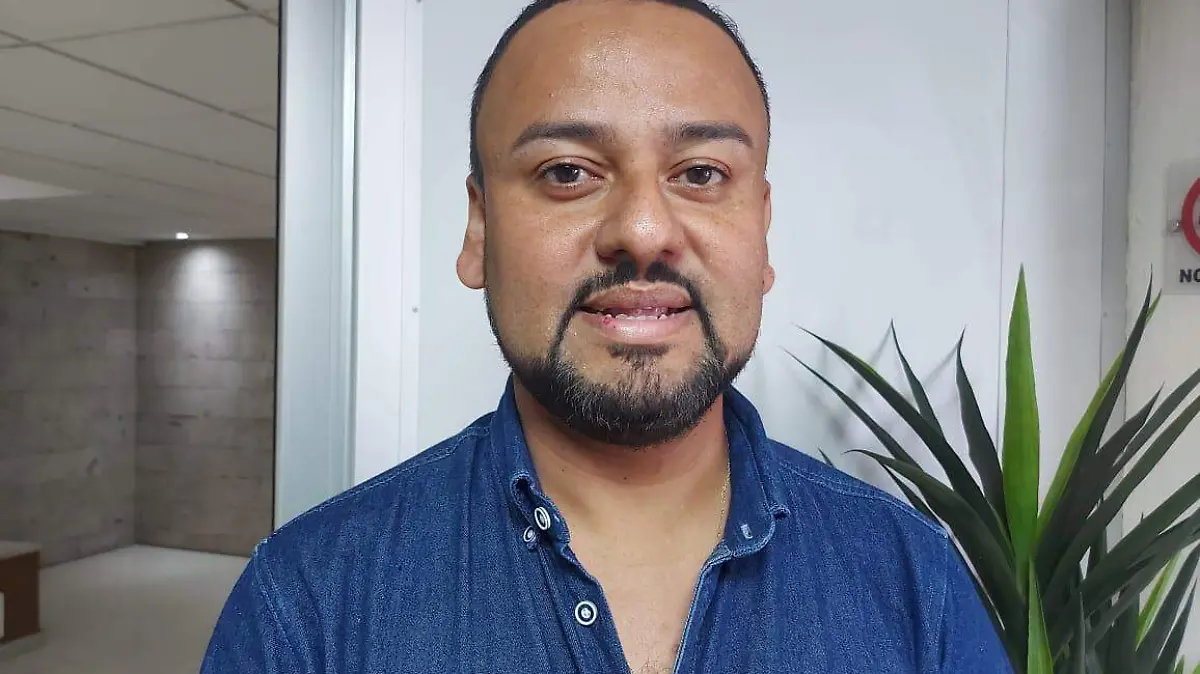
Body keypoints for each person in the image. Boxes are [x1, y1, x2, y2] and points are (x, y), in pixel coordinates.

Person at [200, 1, 1012, 672]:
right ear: (479, 229)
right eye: (567, 172)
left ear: (762, 231)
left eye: (701, 174)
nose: (644, 230)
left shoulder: (916, 584)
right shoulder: (306, 604)